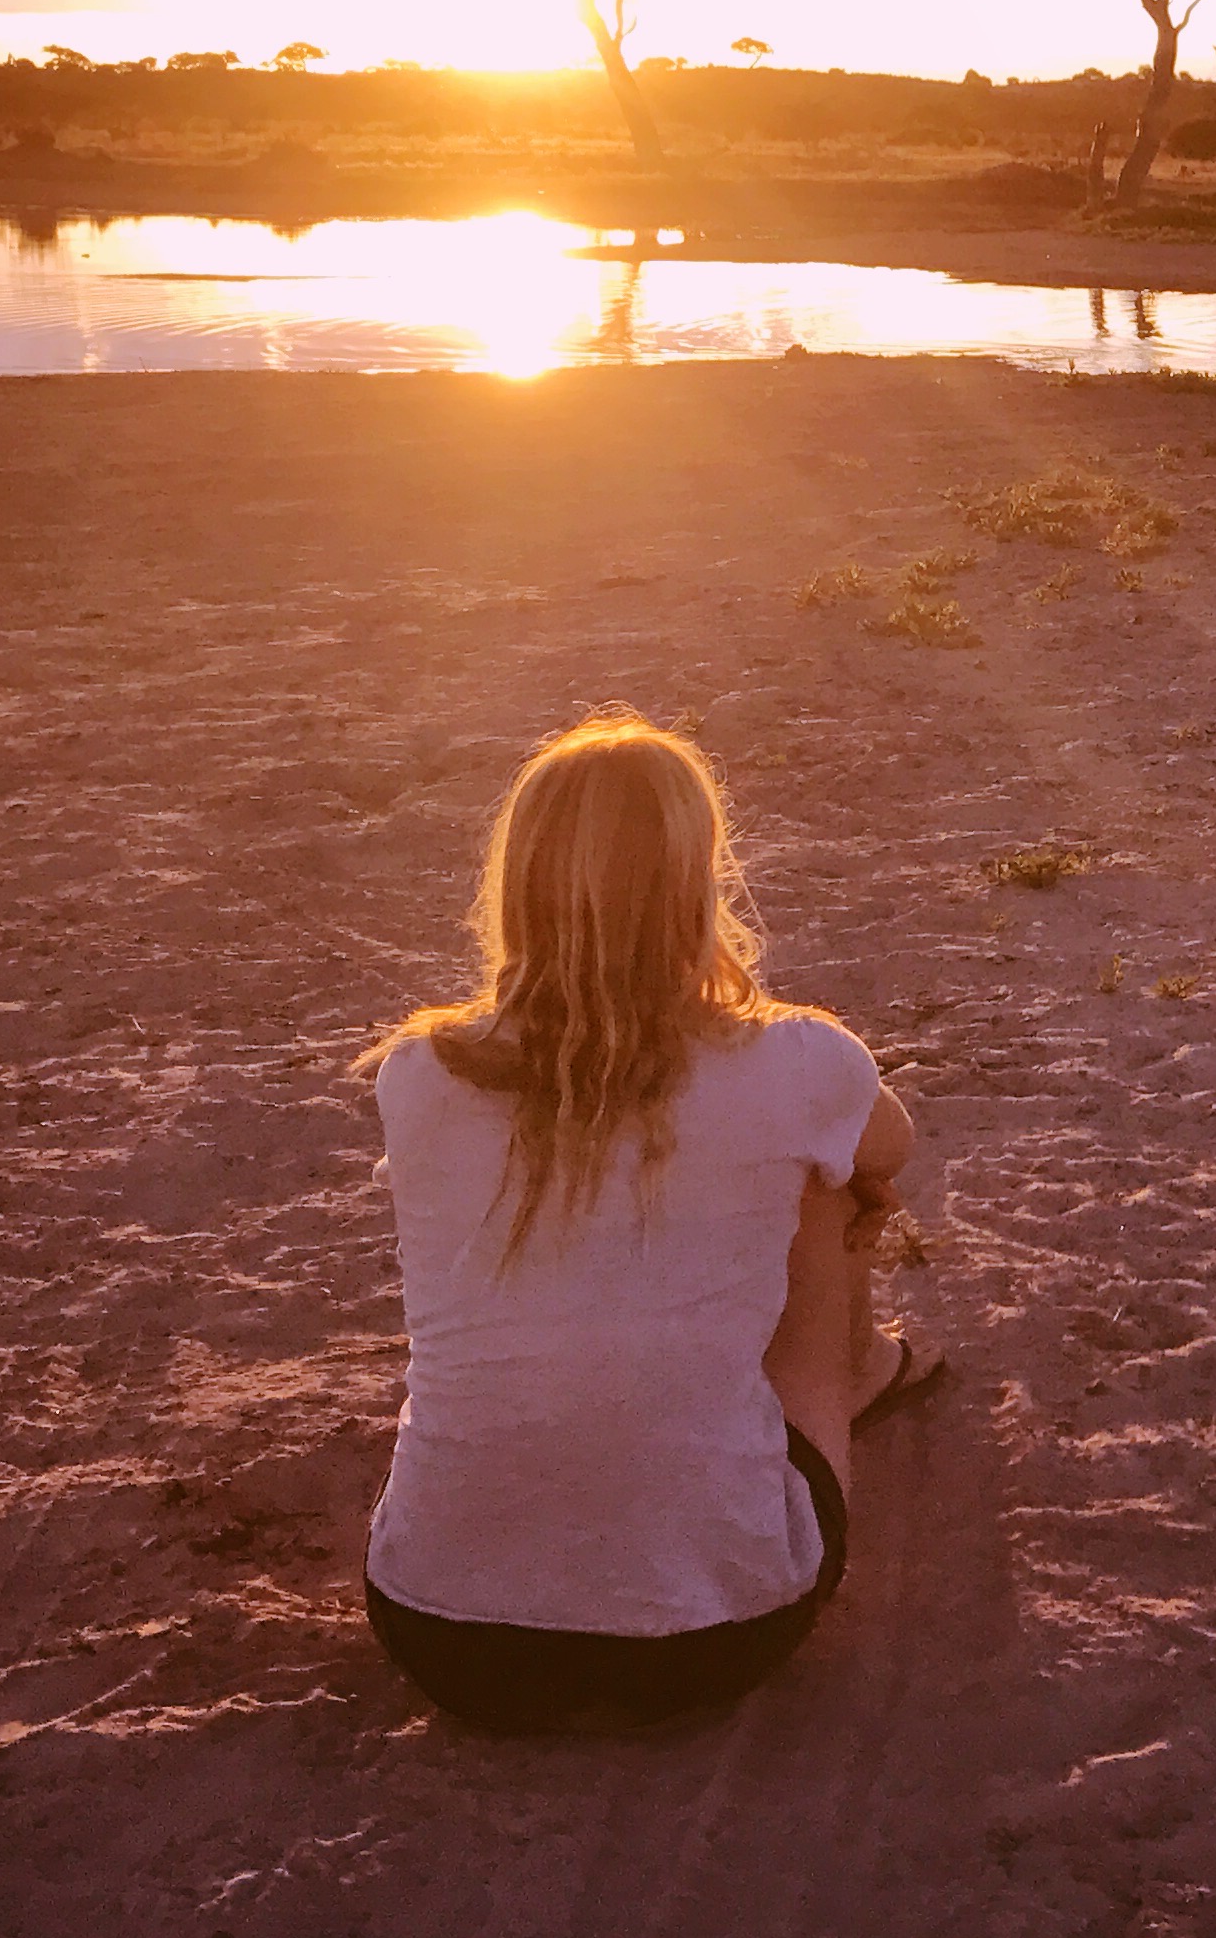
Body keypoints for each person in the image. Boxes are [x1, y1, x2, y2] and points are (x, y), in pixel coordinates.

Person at [355, 712, 935, 1733]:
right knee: (827, 1180)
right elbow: (891, 1150)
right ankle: (862, 1371)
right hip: (720, 1636)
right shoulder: (797, 1061)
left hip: (438, 1635)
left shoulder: (420, 1074)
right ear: (693, 881)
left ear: (521, 882)